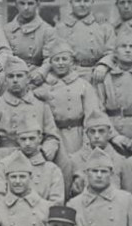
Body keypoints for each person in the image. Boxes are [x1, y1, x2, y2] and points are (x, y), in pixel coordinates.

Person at [33, 39, 105, 187]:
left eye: (64, 59)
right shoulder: (43, 86)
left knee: (77, 171)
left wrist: (87, 143)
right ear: (50, 63)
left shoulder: (83, 85)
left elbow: (92, 117)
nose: (60, 63)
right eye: (56, 59)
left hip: (76, 136)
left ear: (72, 62)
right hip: (52, 135)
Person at [0, 56, 59, 182]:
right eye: (11, 77)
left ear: (27, 79)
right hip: (6, 163)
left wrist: (44, 153)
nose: (15, 80)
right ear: (5, 80)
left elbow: (52, 137)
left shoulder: (41, 106)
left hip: (36, 163)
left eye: (19, 76)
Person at [45, 0, 111, 74]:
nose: (82, 4)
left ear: (92, 2)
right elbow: (51, 54)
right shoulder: (61, 28)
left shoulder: (104, 27)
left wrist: (104, 65)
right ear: (71, 3)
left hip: (98, 73)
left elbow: (112, 52)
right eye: (78, 1)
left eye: (86, 1)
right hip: (70, 74)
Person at [0, 123, 65, 205]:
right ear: (17, 139)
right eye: (23, 139)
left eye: (32, 138)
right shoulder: (2, 166)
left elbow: (56, 203)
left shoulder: (52, 170)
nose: (27, 143)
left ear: (40, 138)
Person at [4, 0, 54, 77]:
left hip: (35, 74)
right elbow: (3, 55)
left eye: (30, 3)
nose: (26, 8)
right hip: (12, 75)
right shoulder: (7, 30)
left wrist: (41, 73)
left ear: (37, 4)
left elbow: (50, 58)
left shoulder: (47, 30)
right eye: (22, 3)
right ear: (16, 5)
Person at [67, 113, 125, 195]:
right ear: (87, 134)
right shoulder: (74, 160)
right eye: (92, 131)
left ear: (110, 133)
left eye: (101, 131)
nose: (96, 136)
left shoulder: (120, 161)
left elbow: (128, 198)